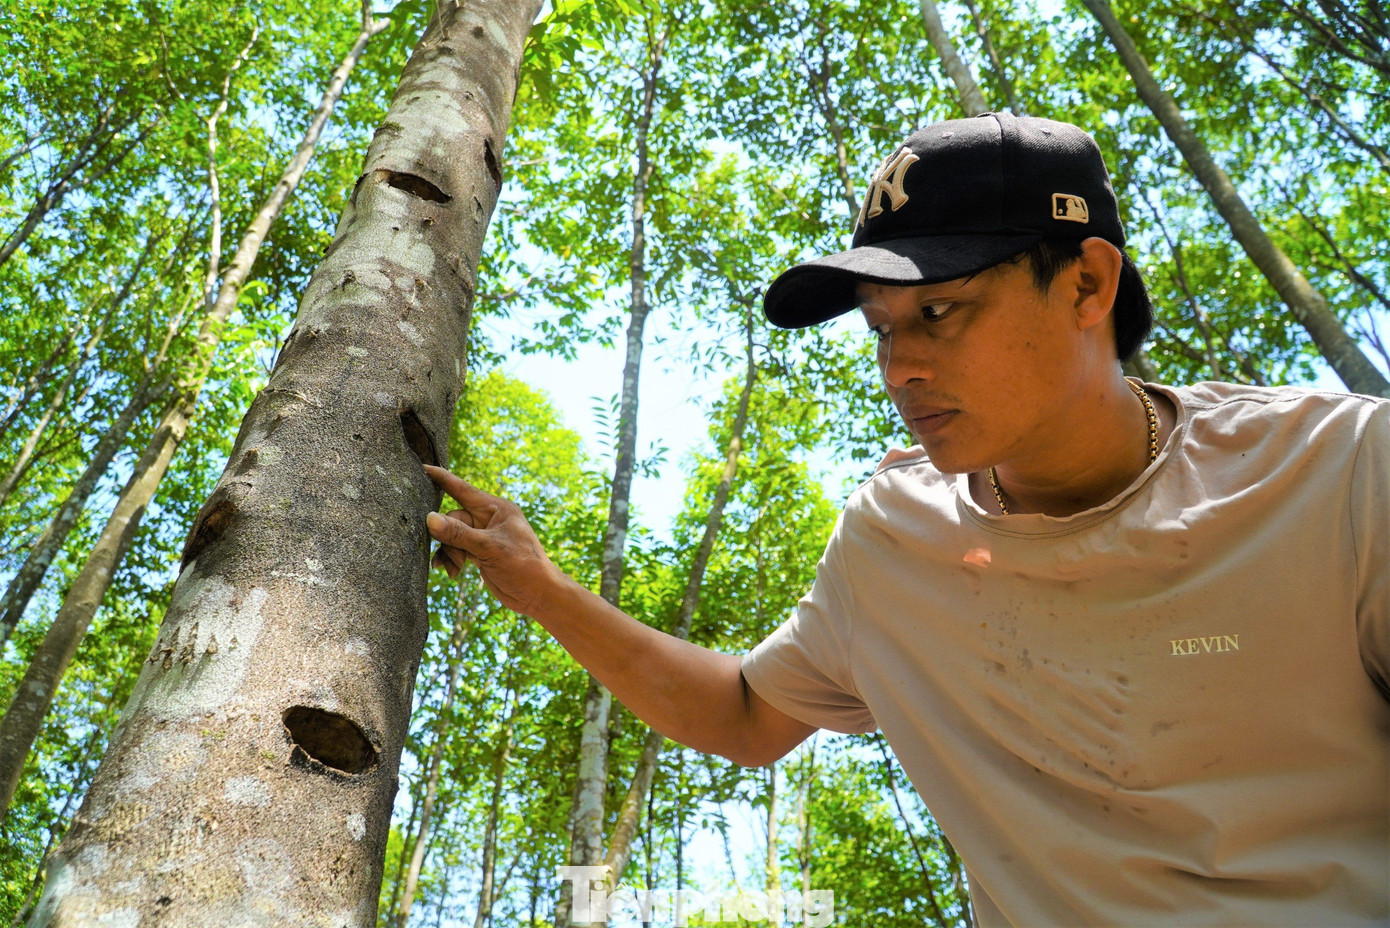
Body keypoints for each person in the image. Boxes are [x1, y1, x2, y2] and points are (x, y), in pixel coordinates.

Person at [424, 112, 1389, 926]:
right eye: (883, 329)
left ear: (1089, 284)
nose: (900, 368)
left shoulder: (1342, 472)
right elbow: (747, 714)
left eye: (941, 313)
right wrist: (538, 588)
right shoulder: (893, 539)